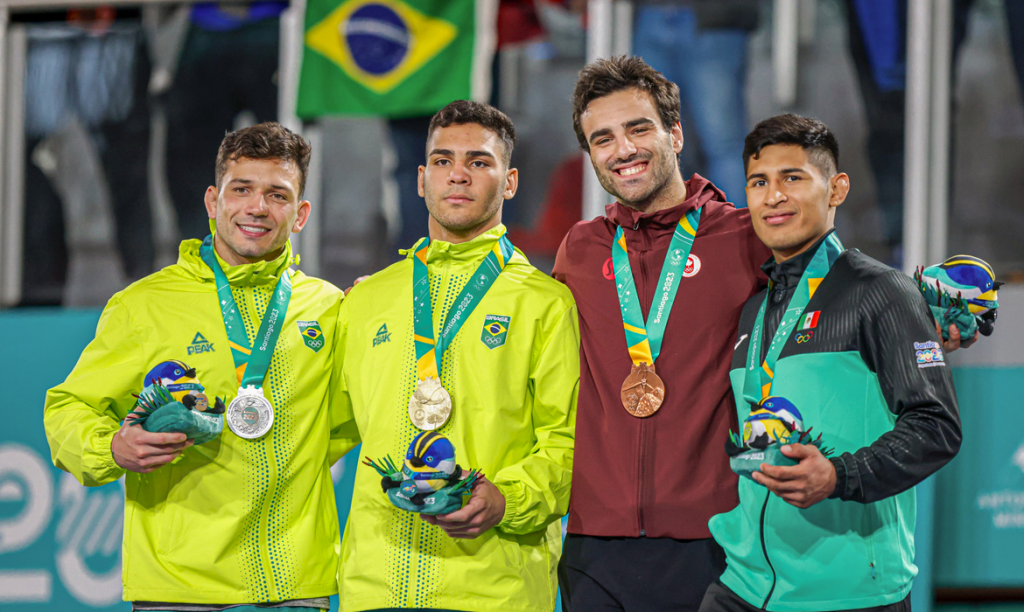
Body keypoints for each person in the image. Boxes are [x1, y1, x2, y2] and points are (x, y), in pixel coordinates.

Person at [44, 122, 343, 612]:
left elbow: (357, 415)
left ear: (301, 213)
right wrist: (112, 447)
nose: (257, 208)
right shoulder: (145, 305)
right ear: (212, 201)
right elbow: (68, 407)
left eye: (277, 195)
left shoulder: (328, 310)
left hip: (294, 583)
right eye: (241, 189)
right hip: (179, 584)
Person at [700, 113, 961, 612]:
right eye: (759, 182)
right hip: (744, 586)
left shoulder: (881, 291)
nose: (773, 196)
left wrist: (839, 475)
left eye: (792, 178)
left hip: (848, 592)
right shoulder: (754, 308)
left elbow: (936, 426)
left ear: (836, 189)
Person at [329, 100, 579, 612]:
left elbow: (570, 443)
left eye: (479, 162)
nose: (458, 176)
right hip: (373, 589)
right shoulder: (366, 300)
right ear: (421, 180)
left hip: (495, 590)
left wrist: (508, 500)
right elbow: (319, 435)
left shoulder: (545, 303)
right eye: (443, 162)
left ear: (509, 183)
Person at [553, 55, 771, 611]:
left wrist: (921, 308)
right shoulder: (580, 249)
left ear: (674, 133)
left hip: (713, 538)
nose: (622, 150)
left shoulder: (746, 237)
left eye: (638, 128)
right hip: (592, 544)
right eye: (602, 138)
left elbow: (834, 290)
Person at [631, 0, 760, 203]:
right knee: (658, 144)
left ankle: (738, 231)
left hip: (714, 19)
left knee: (723, 145)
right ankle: (670, 232)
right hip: (648, 14)